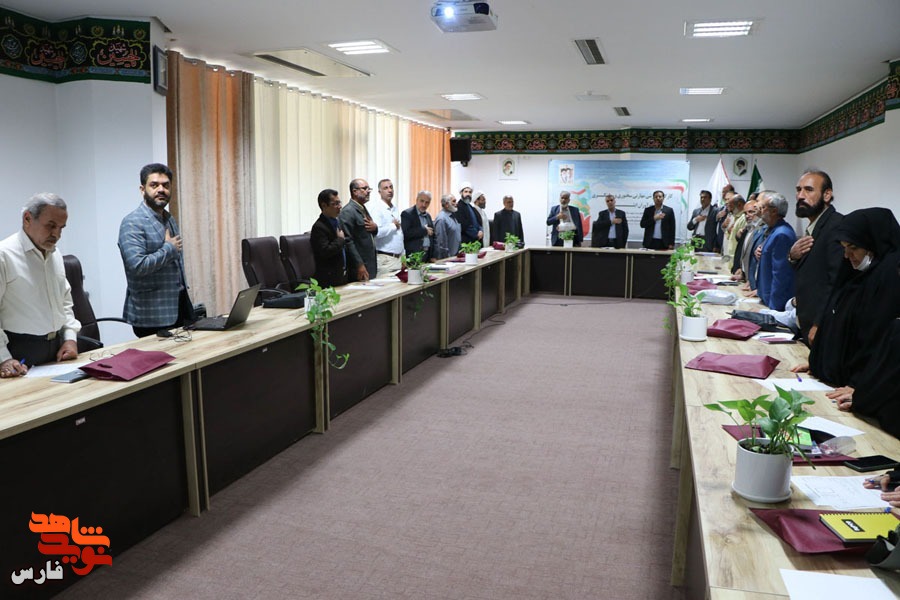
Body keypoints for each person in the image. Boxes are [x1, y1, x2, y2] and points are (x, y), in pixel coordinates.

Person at [799, 209, 900, 420]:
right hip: (836, 383)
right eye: (844, 248)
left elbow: (876, 340)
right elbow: (837, 322)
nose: (847, 256)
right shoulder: (853, 275)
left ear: (873, 243)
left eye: (853, 248)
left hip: (862, 394)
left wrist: (860, 385)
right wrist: (821, 359)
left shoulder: (889, 278)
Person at [0, 193, 80, 377]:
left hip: (57, 349)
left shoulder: (55, 254)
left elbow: (64, 302)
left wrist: (70, 338)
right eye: (50, 226)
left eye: (61, 228)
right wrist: (3, 358)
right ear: (27, 218)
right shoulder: (4, 255)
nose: (57, 234)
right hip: (18, 353)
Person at [118, 163, 194, 338]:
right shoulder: (132, 222)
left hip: (179, 306)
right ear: (142, 189)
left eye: (166, 185)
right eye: (154, 185)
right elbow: (137, 266)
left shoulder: (168, 218)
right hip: (152, 315)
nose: (161, 190)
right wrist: (168, 249)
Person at [787, 169, 845, 345]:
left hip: (821, 328)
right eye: (798, 190)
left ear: (827, 195)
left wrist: (819, 323)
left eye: (809, 190)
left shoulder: (836, 226)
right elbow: (812, 270)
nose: (800, 196)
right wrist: (792, 257)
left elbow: (836, 281)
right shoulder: (815, 227)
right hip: (805, 322)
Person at [755, 193, 796, 311]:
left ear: (774, 211)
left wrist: (774, 310)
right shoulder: (772, 230)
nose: (760, 211)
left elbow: (781, 275)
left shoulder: (782, 234)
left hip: (774, 303)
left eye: (763, 207)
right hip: (765, 298)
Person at [310, 189, 354, 287]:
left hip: (343, 275)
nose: (340, 206)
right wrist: (340, 240)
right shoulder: (319, 227)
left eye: (339, 203)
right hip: (329, 279)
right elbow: (325, 251)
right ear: (324, 206)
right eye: (335, 204)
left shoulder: (337, 222)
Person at [339, 178, 378, 282]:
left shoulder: (362, 208)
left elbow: (368, 233)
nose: (368, 191)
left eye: (369, 189)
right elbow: (348, 241)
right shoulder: (348, 211)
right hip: (359, 266)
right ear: (355, 191)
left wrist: (375, 228)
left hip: (370, 262)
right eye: (365, 188)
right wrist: (359, 264)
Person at [367, 178, 404, 277]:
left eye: (391, 187)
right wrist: (393, 226)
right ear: (380, 192)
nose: (390, 190)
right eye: (386, 188)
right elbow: (377, 232)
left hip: (398, 258)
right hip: (385, 259)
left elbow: (399, 234)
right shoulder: (377, 209)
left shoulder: (395, 208)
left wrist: (403, 256)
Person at [401, 191, 435, 260]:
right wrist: (424, 230)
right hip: (414, 255)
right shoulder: (407, 214)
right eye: (422, 201)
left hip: (427, 254)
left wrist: (432, 255)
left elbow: (432, 235)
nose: (424, 205)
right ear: (416, 200)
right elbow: (406, 233)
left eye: (427, 202)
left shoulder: (428, 216)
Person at [434, 194, 461, 259]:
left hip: (455, 256)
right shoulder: (442, 218)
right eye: (454, 201)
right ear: (446, 204)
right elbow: (441, 242)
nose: (456, 203)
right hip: (447, 258)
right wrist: (446, 258)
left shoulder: (453, 216)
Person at [723, 194, 746, 260]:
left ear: (739, 205)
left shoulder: (744, 218)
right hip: (728, 253)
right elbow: (728, 235)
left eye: (731, 206)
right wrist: (728, 231)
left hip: (735, 256)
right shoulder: (732, 216)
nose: (729, 209)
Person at [715, 184, 735, 252]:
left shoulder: (734, 211)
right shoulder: (721, 208)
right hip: (720, 241)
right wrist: (717, 218)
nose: (723, 194)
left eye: (726, 191)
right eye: (723, 192)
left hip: (729, 243)